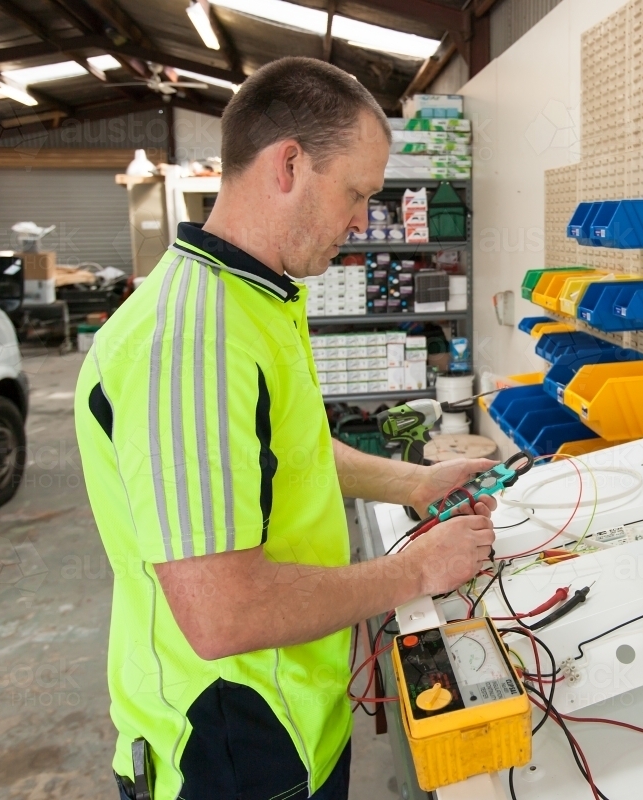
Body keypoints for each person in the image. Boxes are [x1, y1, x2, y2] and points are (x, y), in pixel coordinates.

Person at [74, 56, 496, 800]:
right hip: (231, 748)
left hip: (295, 715)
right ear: (289, 165)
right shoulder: (191, 343)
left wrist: (419, 482)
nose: (364, 221)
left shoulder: (256, 297)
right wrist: (417, 573)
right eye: (357, 194)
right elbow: (221, 614)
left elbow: (288, 454)